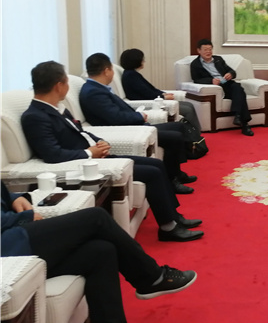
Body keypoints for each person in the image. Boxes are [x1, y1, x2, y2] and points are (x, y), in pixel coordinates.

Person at [1, 183, 197, 323]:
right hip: (7, 246)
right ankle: (151, 278)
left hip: (11, 237)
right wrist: (23, 217)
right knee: (96, 217)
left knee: (101, 252)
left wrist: (14, 198)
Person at [20, 61, 203, 242]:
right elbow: (52, 154)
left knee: (156, 164)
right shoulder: (35, 116)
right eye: (66, 83)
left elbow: (81, 132)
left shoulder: (57, 108)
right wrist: (90, 152)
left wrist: (99, 142)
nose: (68, 88)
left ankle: (174, 217)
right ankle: (168, 227)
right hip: (85, 165)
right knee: (152, 172)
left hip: (96, 155)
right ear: (58, 86)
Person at [79, 53, 196, 195]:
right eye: (111, 70)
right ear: (106, 71)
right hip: (126, 130)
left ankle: (177, 172)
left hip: (133, 125)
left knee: (178, 126)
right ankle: (172, 180)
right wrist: (138, 116)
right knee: (174, 137)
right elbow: (115, 118)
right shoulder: (93, 92)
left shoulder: (98, 88)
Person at [119, 48, 202, 133]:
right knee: (187, 109)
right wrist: (163, 97)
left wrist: (163, 94)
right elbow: (146, 93)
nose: (144, 61)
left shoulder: (133, 73)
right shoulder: (131, 76)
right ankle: (195, 134)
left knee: (189, 105)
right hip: (149, 103)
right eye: (142, 59)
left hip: (154, 99)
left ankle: (196, 132)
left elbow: (151, 89)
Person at [190, 39, 253, 136]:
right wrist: (211, 81)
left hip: (227, 84)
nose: (208, 52)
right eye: (205, 49)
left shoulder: (218, 59)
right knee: (240, 92)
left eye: (210, 49)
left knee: (238, 88)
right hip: (216, 88)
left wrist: (230, 74)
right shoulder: (195, 64)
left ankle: (238, 116)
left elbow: (232, 71)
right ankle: (244, 123)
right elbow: (196, 79)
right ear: (199, 50)